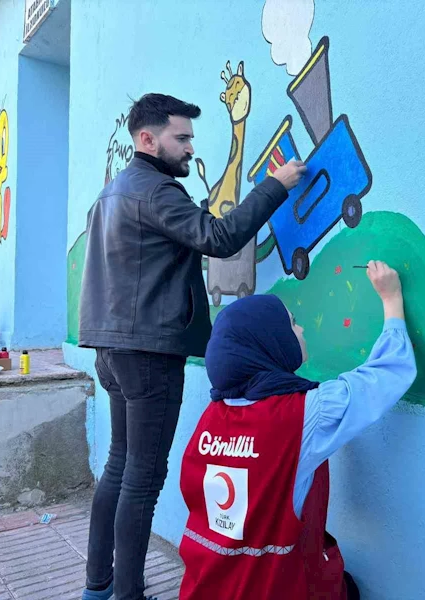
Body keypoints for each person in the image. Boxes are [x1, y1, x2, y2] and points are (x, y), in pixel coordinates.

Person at [79, 93, 307, 600]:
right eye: (180, 138)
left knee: (119, 466)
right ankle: (128, 595)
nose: (188, 149)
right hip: (149, 352)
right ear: (147, 139)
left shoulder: (113, 192)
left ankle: (99, 588)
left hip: (112, 349)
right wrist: (276, 185)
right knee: (141, 476)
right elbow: (221, 237)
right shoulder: (157, 192)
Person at [177, 260, 417, 599]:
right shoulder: (304, 413)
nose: (301, 329)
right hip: (272, 588)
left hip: (208, 586)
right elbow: (385, 376)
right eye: (291, 323)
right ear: (267, 342)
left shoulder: (212, 416)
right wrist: (392, 300)